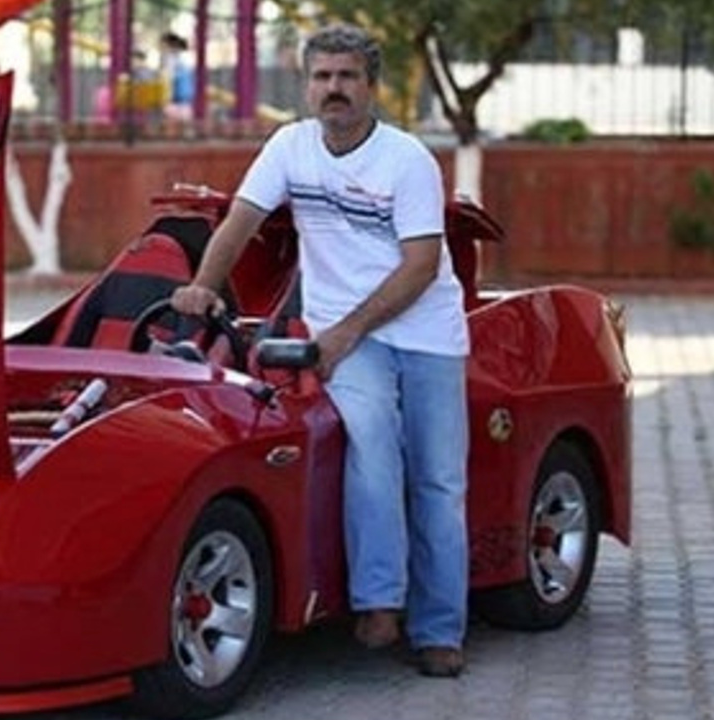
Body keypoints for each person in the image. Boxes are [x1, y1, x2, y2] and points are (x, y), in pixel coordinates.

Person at [169, 23, 470, 678]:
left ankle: (440, 630)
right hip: (346, 333)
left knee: (439, 481)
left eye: (347, 76)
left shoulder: (407, 160)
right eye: (323, 77)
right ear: (307, 85)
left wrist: (345, 332)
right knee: (372, 445)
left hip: (424, 331)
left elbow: (421, 266)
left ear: (371, 86)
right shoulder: (290, 146)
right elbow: (240, 223)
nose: (335, 88)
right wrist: (202, 287)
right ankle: (379, 602)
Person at [159, 31, 194, 120]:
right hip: (182, 99)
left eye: (163, 45)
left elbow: (168, 77)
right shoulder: (181, 58)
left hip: (177, 99)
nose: (161, 48)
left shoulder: (173, 59)